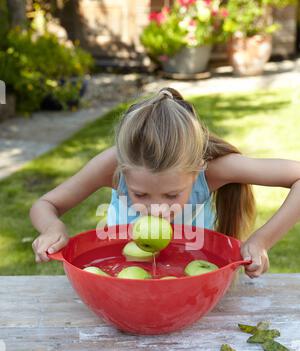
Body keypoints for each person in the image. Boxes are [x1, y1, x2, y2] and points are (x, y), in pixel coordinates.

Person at [30, 87, 300, 279]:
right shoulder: (112, 166)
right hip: (122, 286)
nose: (157, 208)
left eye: (172, 195)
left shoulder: (212, 170)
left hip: (191, 291)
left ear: (198, 169)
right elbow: (46, 203)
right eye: (140, 194)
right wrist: (52, 226)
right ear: (123, 170)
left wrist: (262, 240)